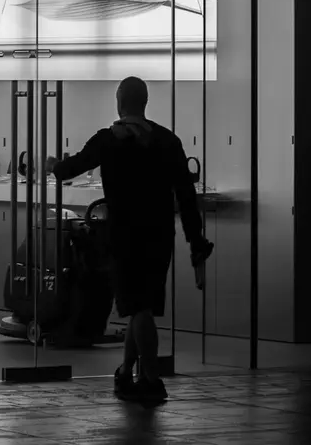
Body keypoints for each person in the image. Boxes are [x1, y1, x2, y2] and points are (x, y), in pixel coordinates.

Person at [48, 76, 213, 405]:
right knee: (143, 308)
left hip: (124, 236)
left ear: (119, 103)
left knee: (137, 308)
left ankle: (152, 381)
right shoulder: (167, 141)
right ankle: (126, 373)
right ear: (146, 102)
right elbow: (186, 196)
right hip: (159, 235)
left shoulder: (108, 139)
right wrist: (196, 243)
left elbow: (71, 168)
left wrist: (54, 165)